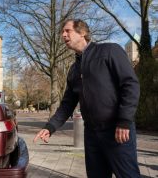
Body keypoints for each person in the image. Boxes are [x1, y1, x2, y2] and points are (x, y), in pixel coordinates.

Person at [34, 19, 141, 178]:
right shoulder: (74, 69)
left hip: (117, 131)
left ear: (82, 32)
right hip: (92, 134)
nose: (63, 35)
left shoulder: (110, 51)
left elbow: (130, 84)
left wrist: (124, 121)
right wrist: (50, 127)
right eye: (62, 32)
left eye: (67, 31)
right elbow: (67, 105)